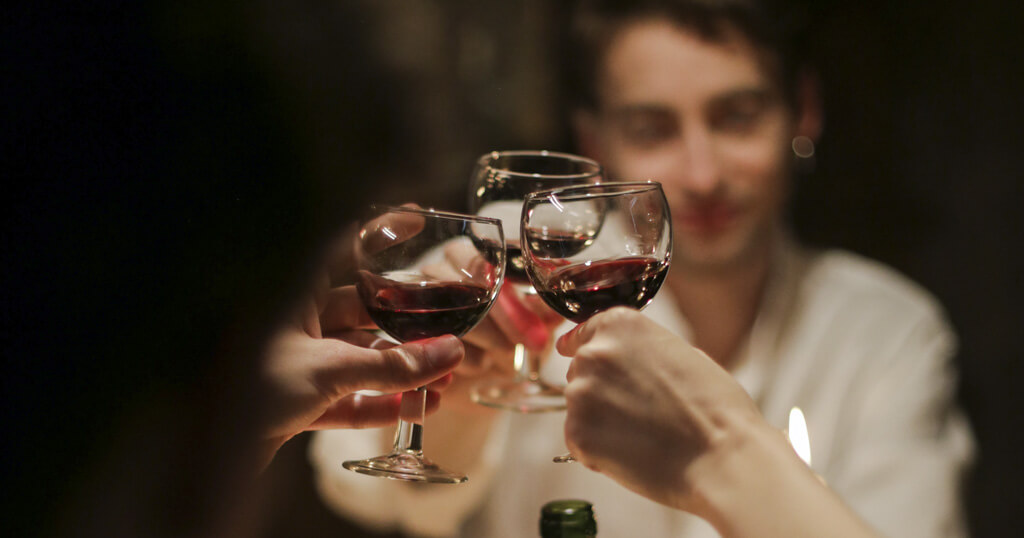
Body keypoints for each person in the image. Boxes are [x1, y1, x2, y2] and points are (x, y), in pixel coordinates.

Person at [310, 0, 973, 537]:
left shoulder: (887, 331)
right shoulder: (517, 265)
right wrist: (453, 403)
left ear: (803, 110)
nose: (702, 173)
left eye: (736, 118)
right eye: (653, 129)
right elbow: (368, 495)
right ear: (597, 145)